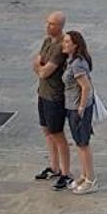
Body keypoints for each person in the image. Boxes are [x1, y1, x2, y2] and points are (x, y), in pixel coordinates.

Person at [33, 11, 71, 189]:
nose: (49, 26)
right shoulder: (47, 41)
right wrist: (39, 66)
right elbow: (37, 62)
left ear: (61, 26)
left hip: (55, 96)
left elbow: (44, 71)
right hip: (42, 92)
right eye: (48, 22)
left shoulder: (60, 47)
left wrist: (40, 67)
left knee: (58, 134)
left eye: (53, 24)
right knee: (46, 131)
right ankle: (54, 166)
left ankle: (66, 172)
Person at [62, 30, 98, 195]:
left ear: (75, 45)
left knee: (83, 143)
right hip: (72, 106)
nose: (64, 43)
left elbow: (85, 87)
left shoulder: (77, 64)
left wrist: (81, 108)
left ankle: (90, 179)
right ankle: (84, 175)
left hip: (78, 107)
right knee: (79, 142)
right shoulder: (72, 61)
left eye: (68, 41)